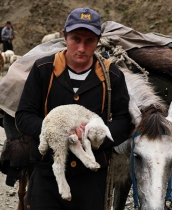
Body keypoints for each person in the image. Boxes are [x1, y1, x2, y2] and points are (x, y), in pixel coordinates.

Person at [15, 7, 133, 210]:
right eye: (75, 39)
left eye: (89, 41)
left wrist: (96, 137)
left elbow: (124, 121)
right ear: (64, 36)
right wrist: (55, 131)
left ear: (98, 40)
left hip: (92, 178)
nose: (81, 48)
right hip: (48, 173)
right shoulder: (43, 70)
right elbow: (24, 116)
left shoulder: (112, 76)